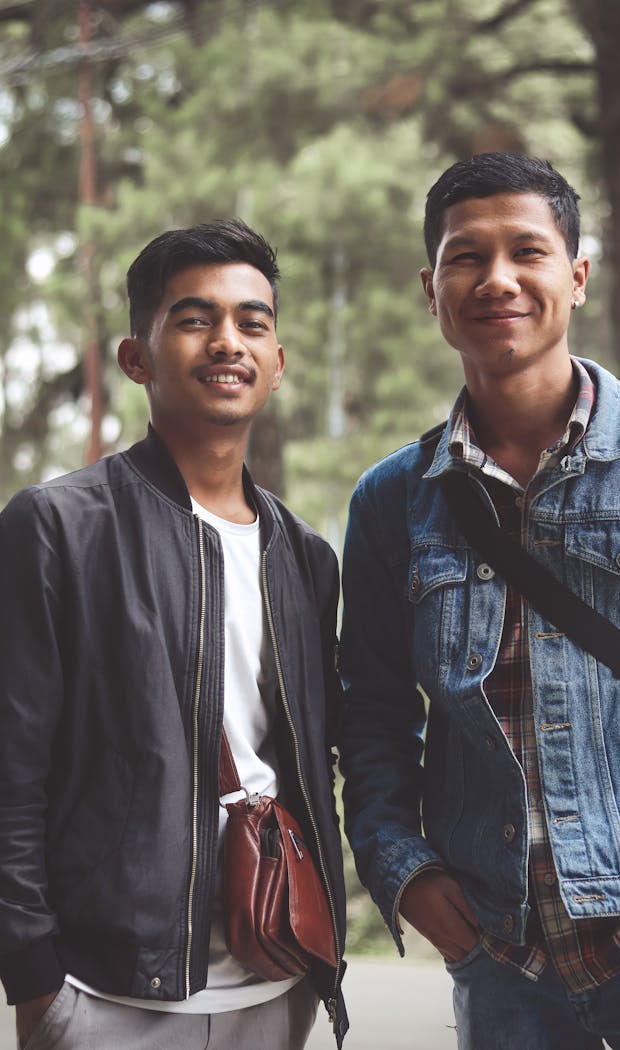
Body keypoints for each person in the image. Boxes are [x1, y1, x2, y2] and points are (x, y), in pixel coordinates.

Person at [339, 152, 620, 1049]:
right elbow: (372, 719)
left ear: (576, 276)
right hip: (504, 964)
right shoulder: (392, 500)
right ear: (432, 289)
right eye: (466, 257)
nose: (496, 279)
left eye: (527, 252)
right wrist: (404, 871)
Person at [0, 219, 347, 1049]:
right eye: (195, 319)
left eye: (253, 323)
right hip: (105, 988)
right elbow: (12, 768)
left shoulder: (306, 556)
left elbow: (317, 756)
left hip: (278, 974)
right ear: (137, 357)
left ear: (277, 362)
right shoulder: (57, 527)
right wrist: (35, 974)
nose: (228, 341)